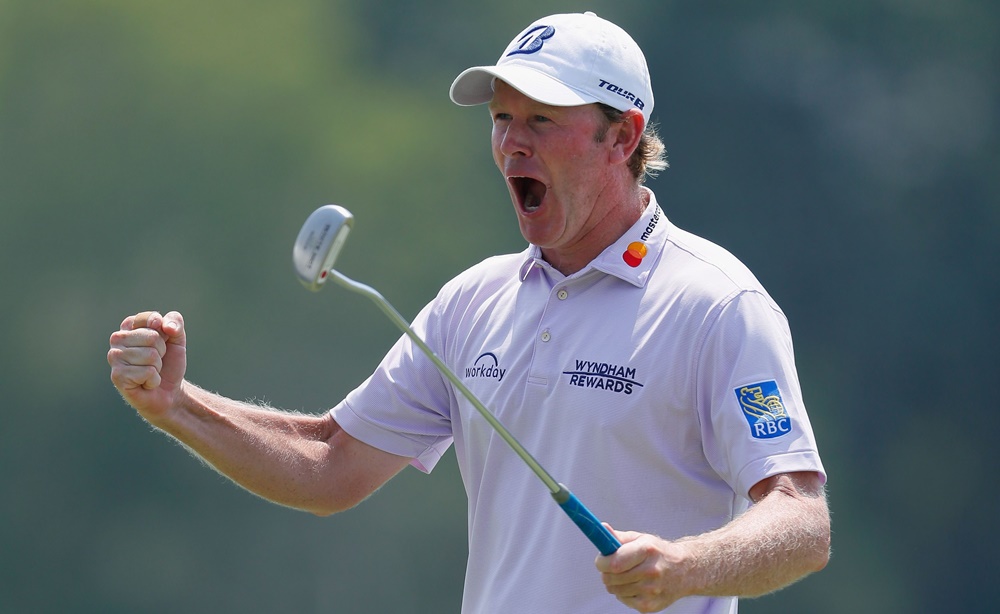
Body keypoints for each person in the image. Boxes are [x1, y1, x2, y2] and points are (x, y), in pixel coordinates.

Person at [108, 11, 830, 613]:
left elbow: (801, 519)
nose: (512, 142)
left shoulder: (716, 305)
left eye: (542, 119)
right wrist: (177, 406)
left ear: (622, 136)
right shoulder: (473, 302)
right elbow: (330, 465)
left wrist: (687, 565)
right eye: (502, 118)